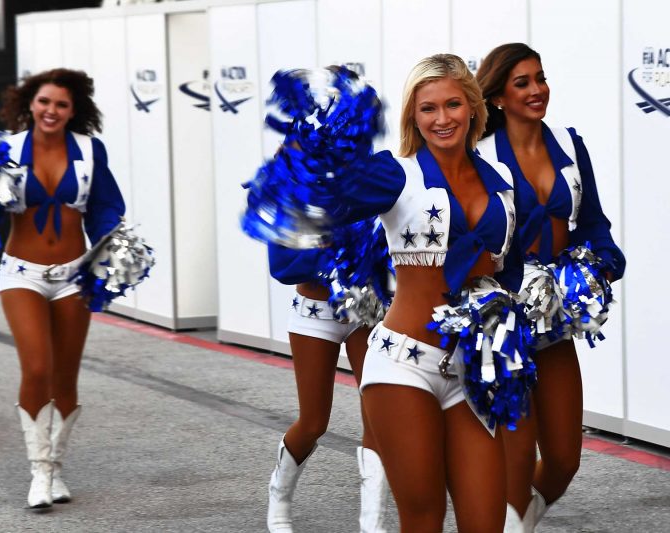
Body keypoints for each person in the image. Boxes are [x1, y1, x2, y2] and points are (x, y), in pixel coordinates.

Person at [246, 56, 530, 532]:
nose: (442, 119)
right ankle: (289, 506)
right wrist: (302, 172)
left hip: (470, 370)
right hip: (403, 363)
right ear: (413, 117)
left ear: (474, 108)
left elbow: (510, 272)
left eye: (453, 104)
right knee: (422, 520)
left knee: (486, 523)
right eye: (428, 108)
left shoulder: (501, 184)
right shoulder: (394, 174)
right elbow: (306, 226)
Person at [476, 43, 625, 531]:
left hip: (554, 320)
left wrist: (599, 264)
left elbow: (593, 223)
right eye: (522, 82)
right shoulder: (478, 155)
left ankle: (518, 523)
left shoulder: (568, 142)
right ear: (497, 95)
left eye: (540, 78)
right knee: (514, 466)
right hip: (502, 328)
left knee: (563, 460)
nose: (538, 90)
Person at [0, 68, 125, 508]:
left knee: (65, 377)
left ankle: (56, 467)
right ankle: (39, 471)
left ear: (74, 111)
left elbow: (105, 208)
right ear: (30, 103)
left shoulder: (91, 151)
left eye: (62, 105)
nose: (51, 111)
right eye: (45, 101)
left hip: (74, 274)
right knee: (36, 368)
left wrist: (115, 246)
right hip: (21, 273)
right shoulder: (5, 149)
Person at [265, 242, 389, 533]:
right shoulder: (301, 195)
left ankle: (373, 523)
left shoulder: (370, 193)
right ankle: (279, 497)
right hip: (314, 310)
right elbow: (283, 265)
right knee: (313, 423)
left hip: (368, 307)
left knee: (377, 423)